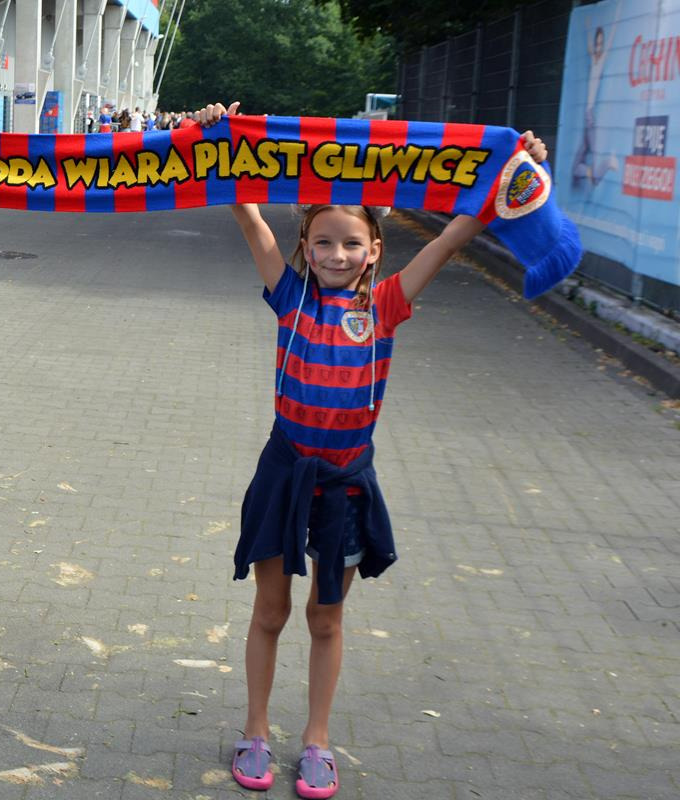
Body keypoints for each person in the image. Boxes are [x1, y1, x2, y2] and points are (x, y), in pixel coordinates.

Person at [195, 101, 547, 797]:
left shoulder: (383, 305)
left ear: (376, 250)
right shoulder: (288, 296)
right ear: (304, 247)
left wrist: (512, 168)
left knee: (326, 617)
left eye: (351, 243)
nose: (337, 255)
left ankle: (318, 741)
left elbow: (453, 236)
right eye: (323, 242)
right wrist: (219, 139)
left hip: (347, 484)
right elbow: (247, 215)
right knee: (271, 612)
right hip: (285, 474)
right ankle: (255, 731)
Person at [571, 3, 621, 189]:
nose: (598, 47)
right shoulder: (593, 59)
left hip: (590, 116)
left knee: (587, 172)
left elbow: (611, 37)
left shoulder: (600, 61)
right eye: (597, 43)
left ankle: (607, 163)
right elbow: (589, 45)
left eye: (601, 43)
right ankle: (596, 169)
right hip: (588, 114)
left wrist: (617, 17)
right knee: (576, 167)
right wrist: (587, 26)